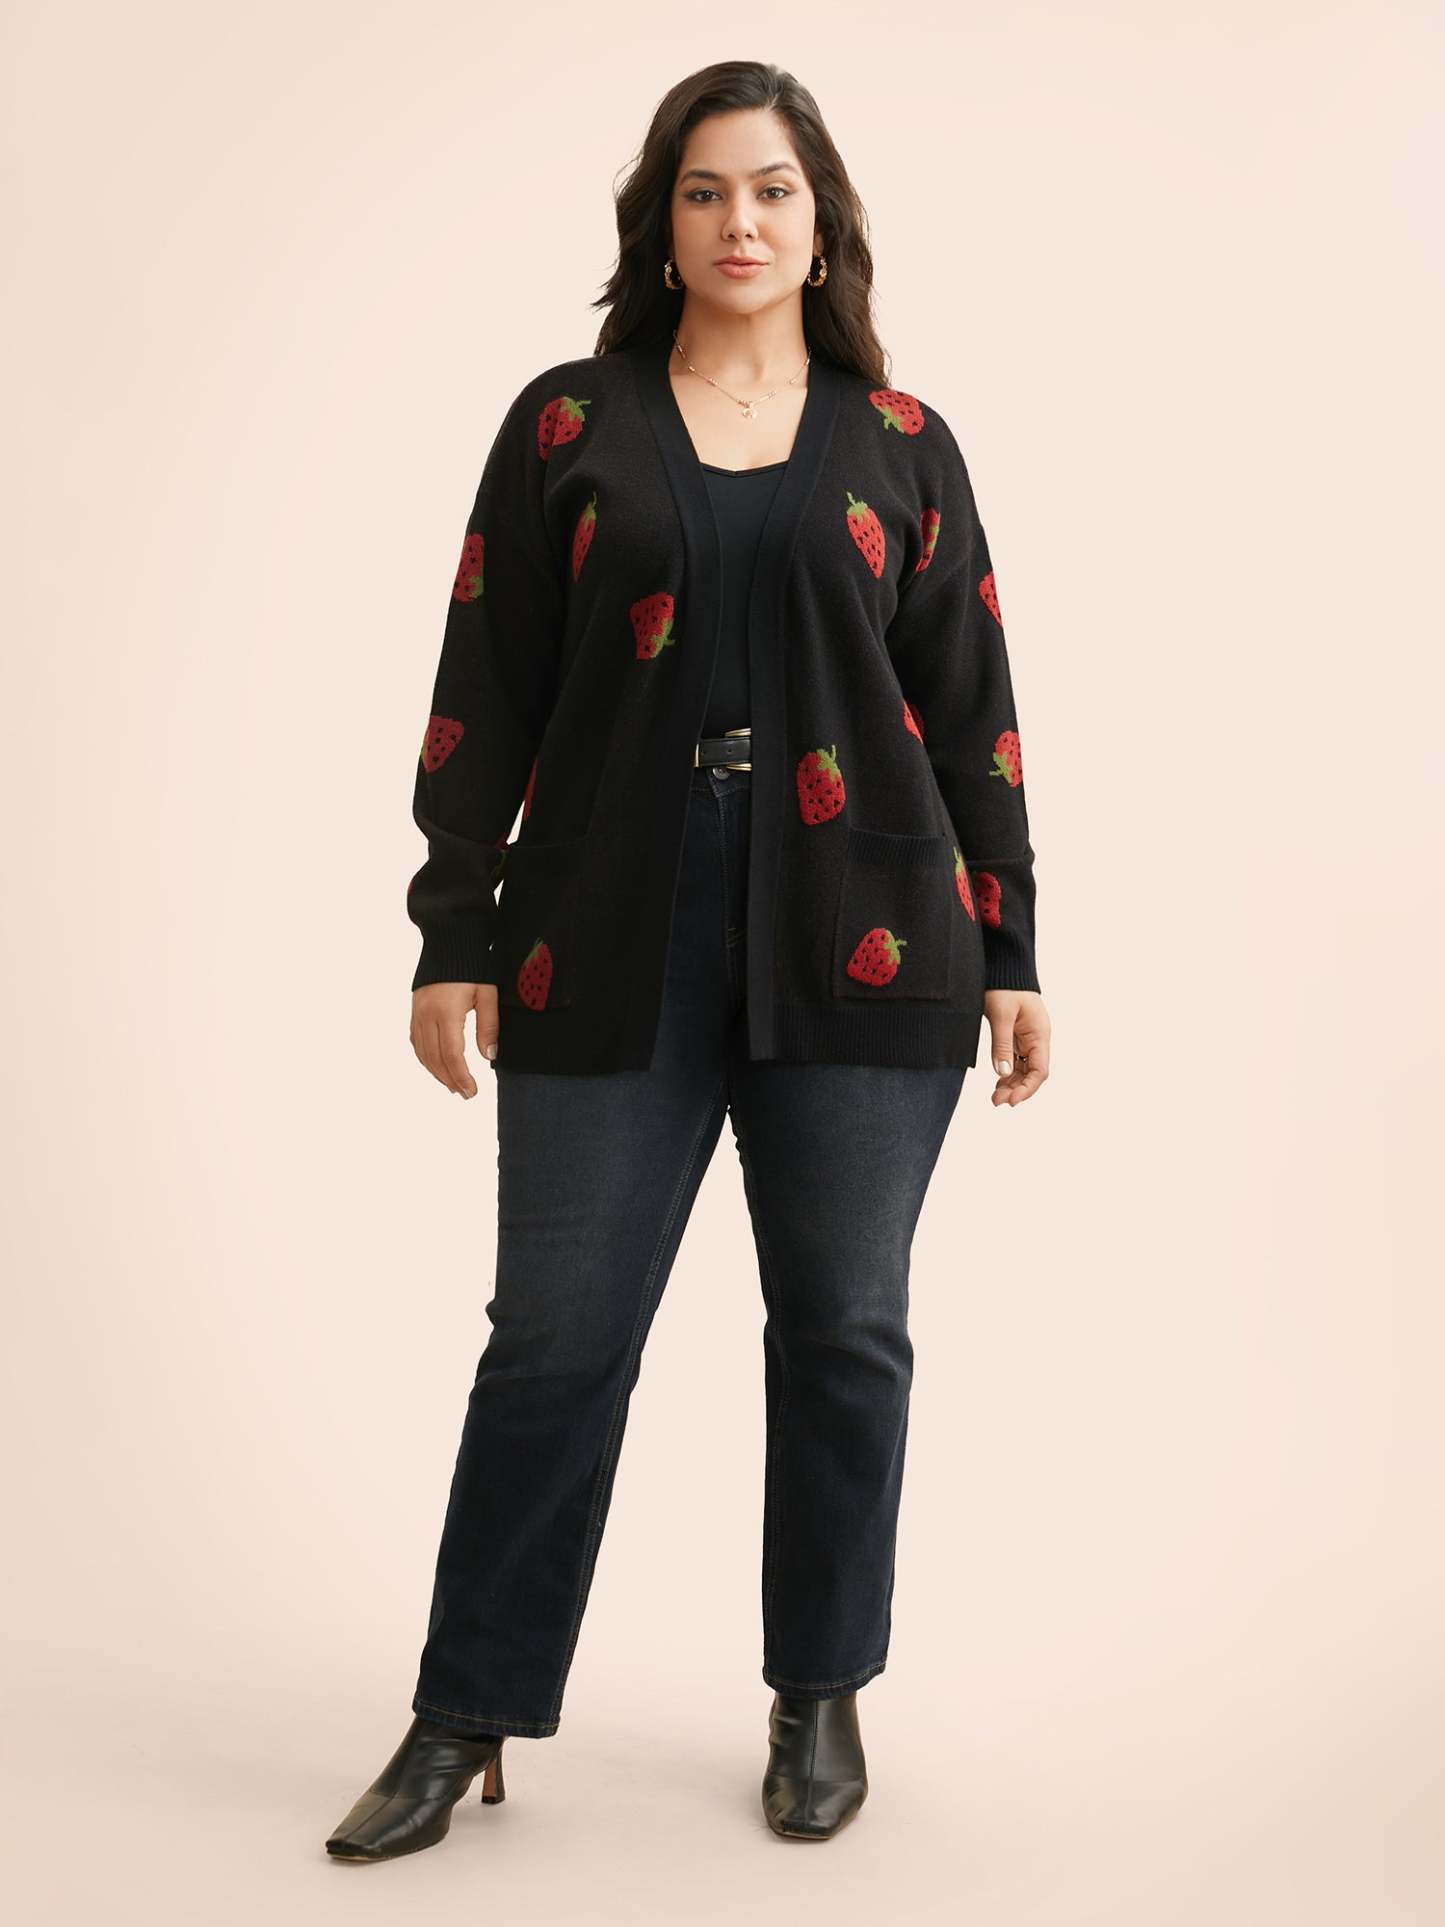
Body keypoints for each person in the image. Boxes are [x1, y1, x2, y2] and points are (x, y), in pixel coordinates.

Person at [326, 59, 1052, 1862]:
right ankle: (464, 1712)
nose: (741, 222)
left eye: (772, 190)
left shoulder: (900, 440)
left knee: (844, 1332)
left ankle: (820, 1693)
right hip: (601, 933)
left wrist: (1013, 945)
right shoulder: (568, 423)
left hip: (866, 942)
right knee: (554, 1340)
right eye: (706, 190)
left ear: (822, 222)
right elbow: (483, 681)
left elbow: (971, 706)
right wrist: (449, 930)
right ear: (662, 222)